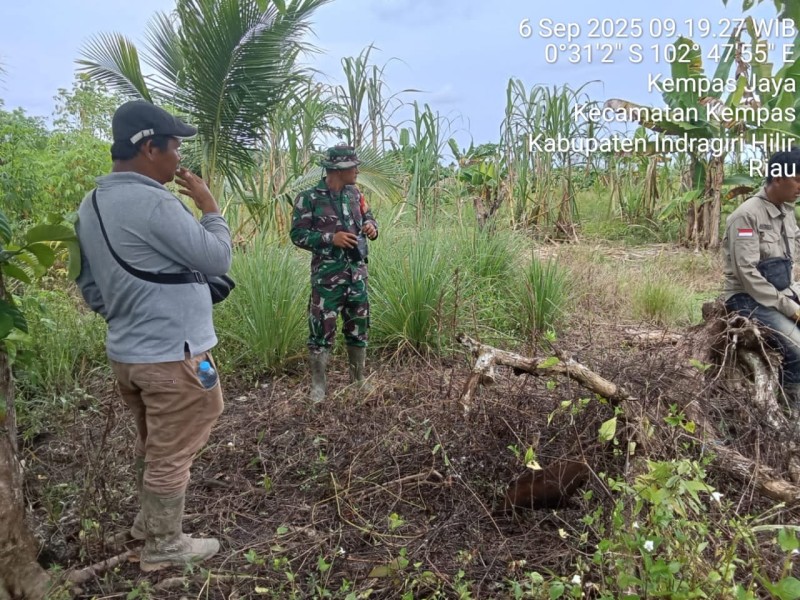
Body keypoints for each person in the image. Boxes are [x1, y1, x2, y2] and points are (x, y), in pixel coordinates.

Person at [75, 100, 232, 571]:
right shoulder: (154, 202)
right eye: (174, 148)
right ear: (149, 148)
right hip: (173, 354)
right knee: (176, 443)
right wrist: (209, 207)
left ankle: (148, 524)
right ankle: (164, 546)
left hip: (130, 354)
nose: (178, 158)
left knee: (157, 439)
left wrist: (131, 315)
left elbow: (89, 285)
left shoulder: (91, 205)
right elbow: (216, 257)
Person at [290, 144, 379, 403]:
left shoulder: (355, 194)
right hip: (327, 279)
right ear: (339, 170)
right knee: (321, 331)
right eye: (354, 166)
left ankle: (358, 380)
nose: (357, 171)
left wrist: (371, 227)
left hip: (357, 276)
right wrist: (332, 238)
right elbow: (297, 234)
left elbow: (369, 217)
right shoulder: (309, 198)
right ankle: (318, 387)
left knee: (358, 327)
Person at [723, 147, 800, 408]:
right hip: (748, 298)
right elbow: (748, 275)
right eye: (797, 180)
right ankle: (791, 413)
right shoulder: (746, 216)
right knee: (797, 351)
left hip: (782, 291)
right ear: (778, 177)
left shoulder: (786, 212)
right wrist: (791, 308)